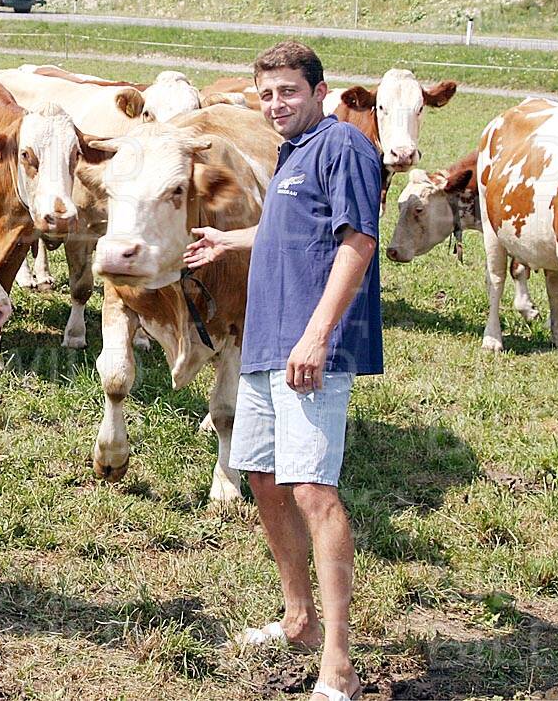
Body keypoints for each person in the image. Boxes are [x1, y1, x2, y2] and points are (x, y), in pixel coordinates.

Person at [184, 41, 383, 701]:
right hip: (266, 344)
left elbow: (356, 239)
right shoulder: (291, 152)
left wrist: (318, 335)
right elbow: (291, 229)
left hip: (309, 347)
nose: (276, 104)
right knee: (263, 479)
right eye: (266, 94)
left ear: (320, 92)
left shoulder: (342, 145)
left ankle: (339, 663)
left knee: (312, 491)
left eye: (289, 91)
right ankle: (298, 618)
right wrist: (230, 239)